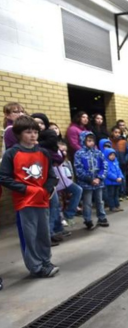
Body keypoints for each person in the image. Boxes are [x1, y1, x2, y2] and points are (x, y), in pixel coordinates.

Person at [0, 115, 60, 277]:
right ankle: (36, 266)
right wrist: (27, 190)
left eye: (35, 131)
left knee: (44, 233)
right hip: (25, 201)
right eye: (28, 132)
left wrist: (46, 190)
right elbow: (4, 178)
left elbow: (52, 176)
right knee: (30, 236)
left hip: (42, 200)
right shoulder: (12, 154)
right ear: (19, 134)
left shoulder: (44, 153)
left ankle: (46, 261)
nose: (33, 135)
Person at [74, 131, 109, 230]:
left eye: (92, 140)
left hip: (98, 182)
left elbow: (104, 166)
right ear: (83, 141)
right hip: (86, 183)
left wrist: (99, 177)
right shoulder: (79, 154)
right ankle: (88, 219)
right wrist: (90, 179)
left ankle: (102, 217)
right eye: (89, 140)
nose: (91, 143)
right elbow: (79, 169)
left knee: (99, 201)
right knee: (87, 202)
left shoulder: (98, 153)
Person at [110, 126, 128, 199]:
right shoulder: (109, 142)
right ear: (112, 133)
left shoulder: (123, 142)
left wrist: (125, 160)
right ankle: (117, 194)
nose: (117, 134)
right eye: (115, 132)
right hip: (113, 164)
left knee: (123, 178)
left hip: (122, 163)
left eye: (119, 132)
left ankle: (123, 193)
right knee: (115, 178)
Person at [104, 148, 124, 212]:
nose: (113, 156)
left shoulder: (116, 162)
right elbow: (108, 173)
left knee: (116, 194)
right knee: (111, 194)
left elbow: (119, 170)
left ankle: (117, 205)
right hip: (110, 182)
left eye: (113, 155)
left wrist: (120, 177)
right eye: (111, 155)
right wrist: (116, 178)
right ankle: (112, 206)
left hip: (117, 182)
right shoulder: (106, 163)